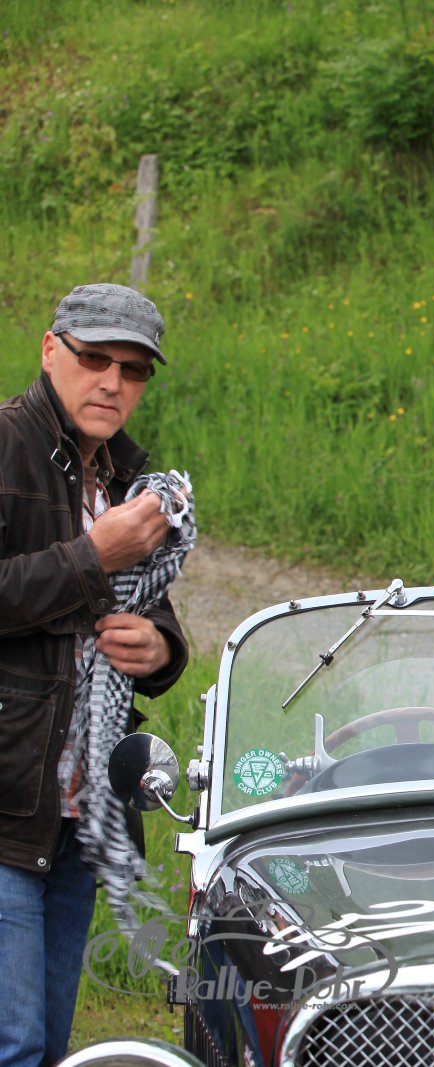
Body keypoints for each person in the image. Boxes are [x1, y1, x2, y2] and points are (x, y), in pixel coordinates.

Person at [0, 283, 190, 1066]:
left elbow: (151, 609)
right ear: (51, 351)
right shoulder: (5, 445)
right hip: (5, 803)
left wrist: (160, 648)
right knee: (14, 1044)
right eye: (94, 359)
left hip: (78, 816)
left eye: (133, 369)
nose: (112, 382)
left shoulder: (120, 476)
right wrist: (92, 555)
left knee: (46, 1046)